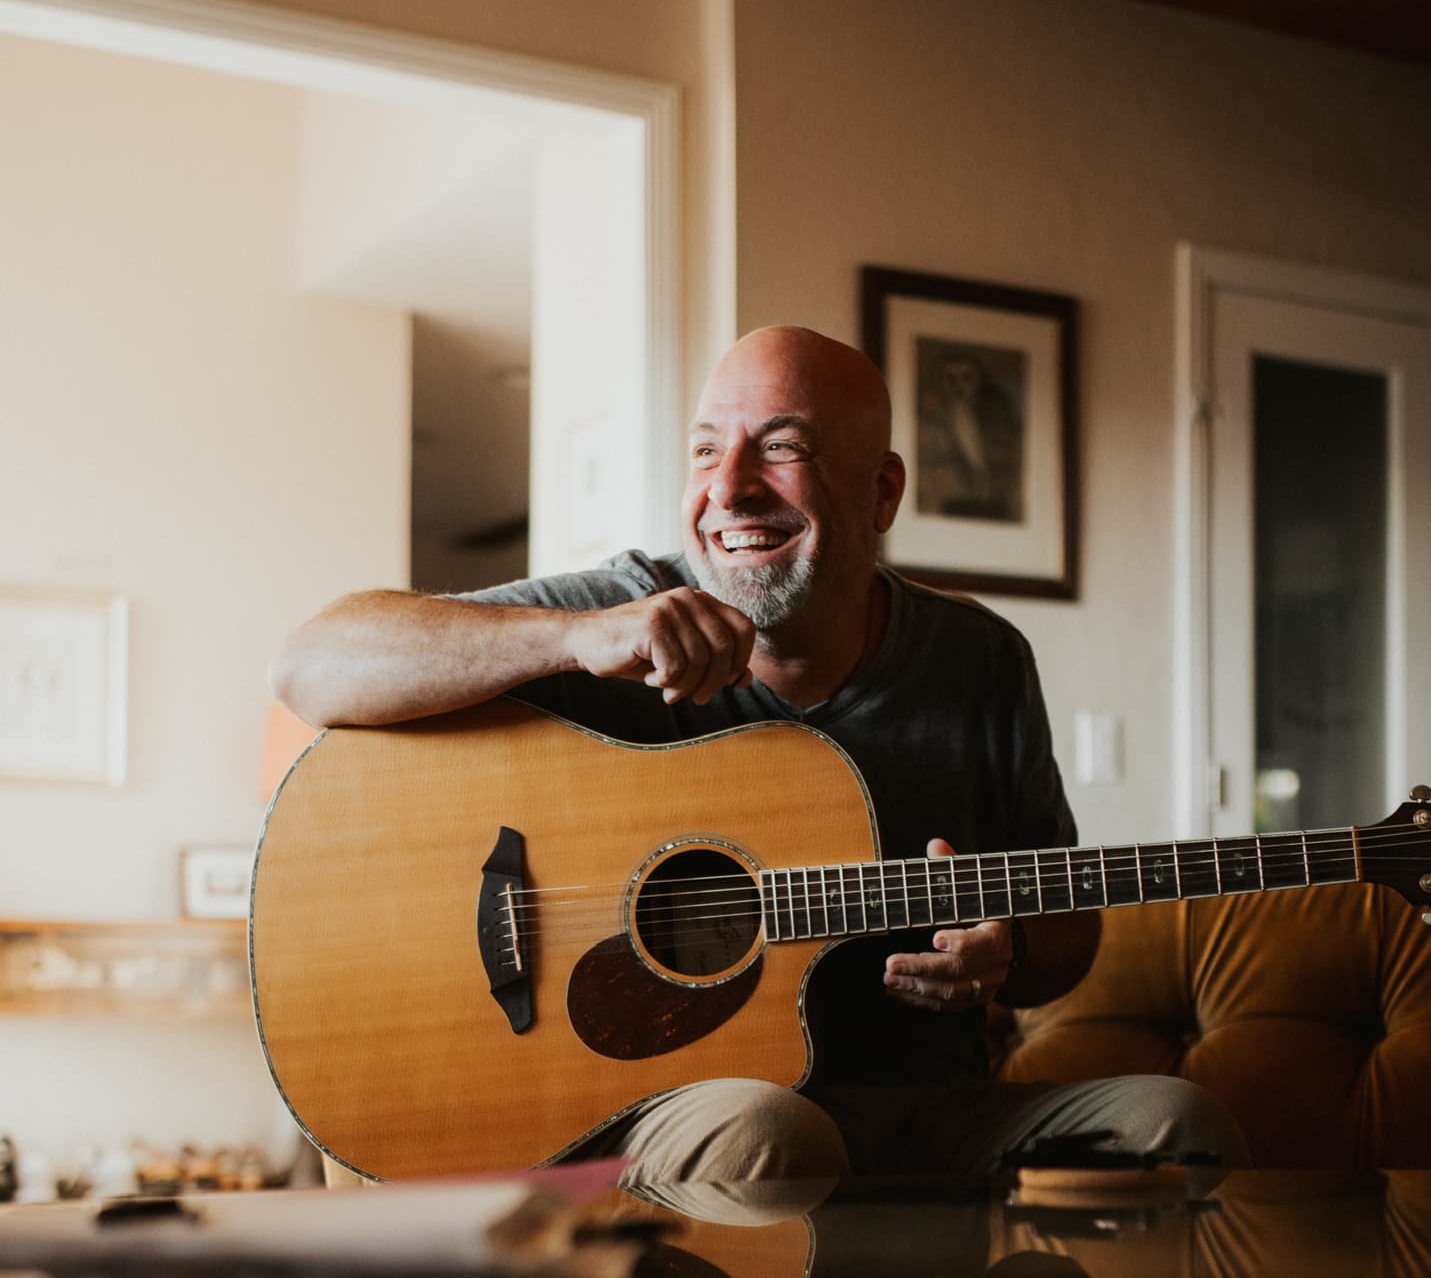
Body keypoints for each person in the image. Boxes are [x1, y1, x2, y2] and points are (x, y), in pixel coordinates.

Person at [272, 325, 1246, 1188]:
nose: (728, 487)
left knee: (1175, 1120)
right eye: (706, 449)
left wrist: (1009, 949)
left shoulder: (980, 660)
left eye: (781, 449)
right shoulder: (620, 606)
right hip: (692, 1114)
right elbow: (312, 665)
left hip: (930, 1108)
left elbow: (1063, 936)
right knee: (770, 1128)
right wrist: (570, 640)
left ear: (883, 490)